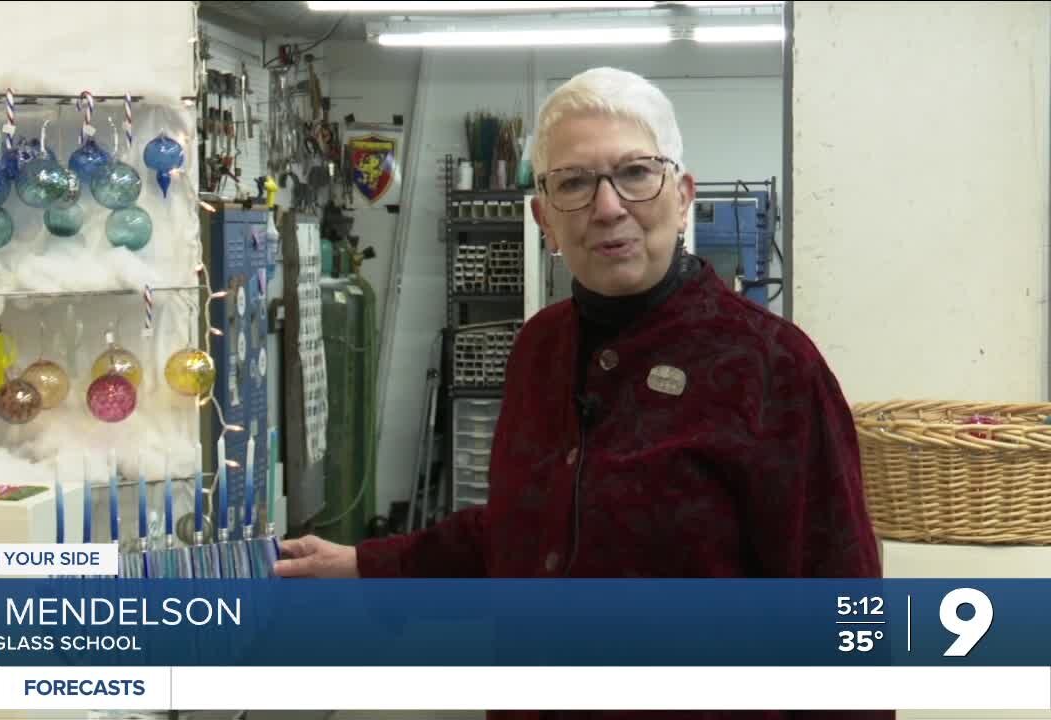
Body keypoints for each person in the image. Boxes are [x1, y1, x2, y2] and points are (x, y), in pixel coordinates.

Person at [274, 67, 887, 718]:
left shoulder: (772, 368)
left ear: (682, 194)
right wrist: (368, 563)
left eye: (635, 173)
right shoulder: (539, 349)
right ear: (544, 218)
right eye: (573, 182)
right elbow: (522, 526)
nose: (607, 206)